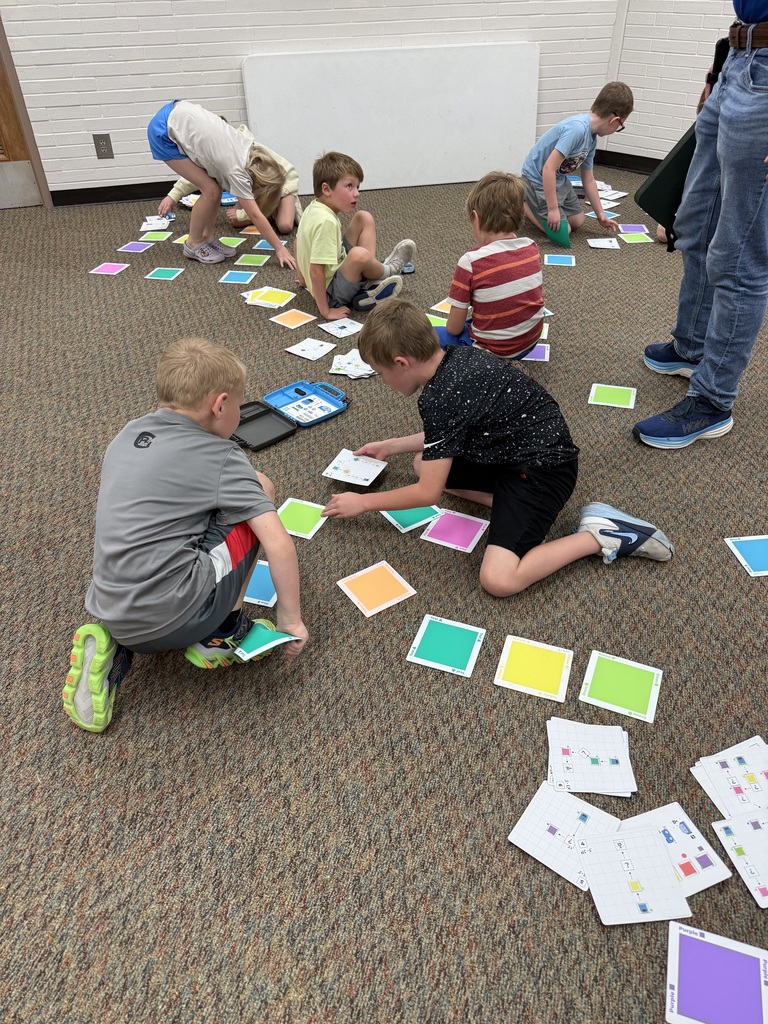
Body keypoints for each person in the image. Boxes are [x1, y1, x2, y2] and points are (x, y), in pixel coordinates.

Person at [322, 299, 674, 597]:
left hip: (544, 472)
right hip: (512, 452)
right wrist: (389, 446)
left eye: (381, 373)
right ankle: (512, 506)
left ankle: (599, 535)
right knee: (421, 462)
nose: (383, 381)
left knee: (498, 580)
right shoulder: (456, 358)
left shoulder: (439, 398)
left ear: (402, 363)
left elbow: (428, 493)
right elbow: (449, 432)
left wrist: (362, 503)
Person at [63, 338, 308, 734]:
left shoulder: (128, 433)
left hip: (109, 605)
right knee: (260, 489)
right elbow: (279, 544)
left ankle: (115, 646)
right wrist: (290, 621)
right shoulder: (223, 457)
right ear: (220, 405)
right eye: (239, 406)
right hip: (174, 617)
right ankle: (221, 632)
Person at [634, 10, 768, 448]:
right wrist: (720, 67)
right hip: (739, 62)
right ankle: (691, 347)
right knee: (693, 227)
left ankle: (713, 401)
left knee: (739, 261)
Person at [147, 100, 297, 267]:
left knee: (215, 187)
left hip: (180, 111)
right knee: (210, 190)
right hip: (163, 131)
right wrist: (279, 249)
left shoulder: (248, 149)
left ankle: (207, 236)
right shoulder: (237, 172)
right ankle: (193, 243)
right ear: (258, 185)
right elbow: (255, 215)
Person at [435, 171, 544, 358]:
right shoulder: (531, 247)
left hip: (490, 354)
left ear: (476, 218)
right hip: (529, 344)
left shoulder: (471, 262)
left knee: (429, 335)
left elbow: (454, 328)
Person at [295, 151, 415, 318]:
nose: (356, 193)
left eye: (357, 187)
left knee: (363, 218)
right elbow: (316, 270)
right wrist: (326, 311)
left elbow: (297, 243)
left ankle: (370, 276)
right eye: (349, 186)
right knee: (359, 254)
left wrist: (302, 279)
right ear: (326, 189)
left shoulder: (312, 208)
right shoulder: (326, 222)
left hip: (335, 269)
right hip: (332, 295)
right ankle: (388, 270)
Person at [521, 81, 634, 240]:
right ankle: (524, 203)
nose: (617, 129)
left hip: (557, 179)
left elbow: (588, 179)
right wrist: (552, 209)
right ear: (614, 120)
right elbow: (548, 169)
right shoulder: (577, 129)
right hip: (536, 179)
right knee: (562, 234)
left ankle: (542, 206)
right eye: (620, 126)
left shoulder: (592, 138)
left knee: (578, 221)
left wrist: (600, 214)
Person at [157, 121, 302, 235]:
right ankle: (270, 211)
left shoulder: (240, 157)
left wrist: (250, 215)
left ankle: (275, 207)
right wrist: (173, 195)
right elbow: (196, 176)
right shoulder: (219, 158)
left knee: (284, 226)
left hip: (281, 185)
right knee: (235, 220)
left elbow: (265, 195)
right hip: (254, 189)